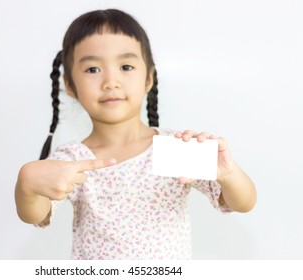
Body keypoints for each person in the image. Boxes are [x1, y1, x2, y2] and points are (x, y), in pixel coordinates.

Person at [14, 9, 256, 259]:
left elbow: (242, 202)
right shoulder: (73, 158)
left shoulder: (176, 147)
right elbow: (36, 213)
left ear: (149, 77)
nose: (111, 81)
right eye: (92, 69)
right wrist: (26, 187)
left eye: (126, 66)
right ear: (70, 85)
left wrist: (229, 174)